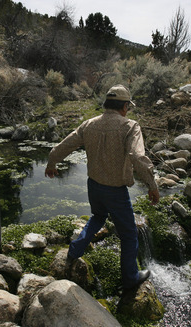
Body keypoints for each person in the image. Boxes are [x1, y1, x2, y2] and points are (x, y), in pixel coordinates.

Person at [45, 84, 160, 291]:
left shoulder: (89, 124)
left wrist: (52, 162)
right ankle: (131, 278)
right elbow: (138, 156)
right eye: (128, 107)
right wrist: (151, 184)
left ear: (106, 104)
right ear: (124, 106)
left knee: (98, 217)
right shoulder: (130, 127)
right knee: (128, 234)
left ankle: (75, 249)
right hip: (116, 191)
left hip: (94, 186)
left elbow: (66, 145)